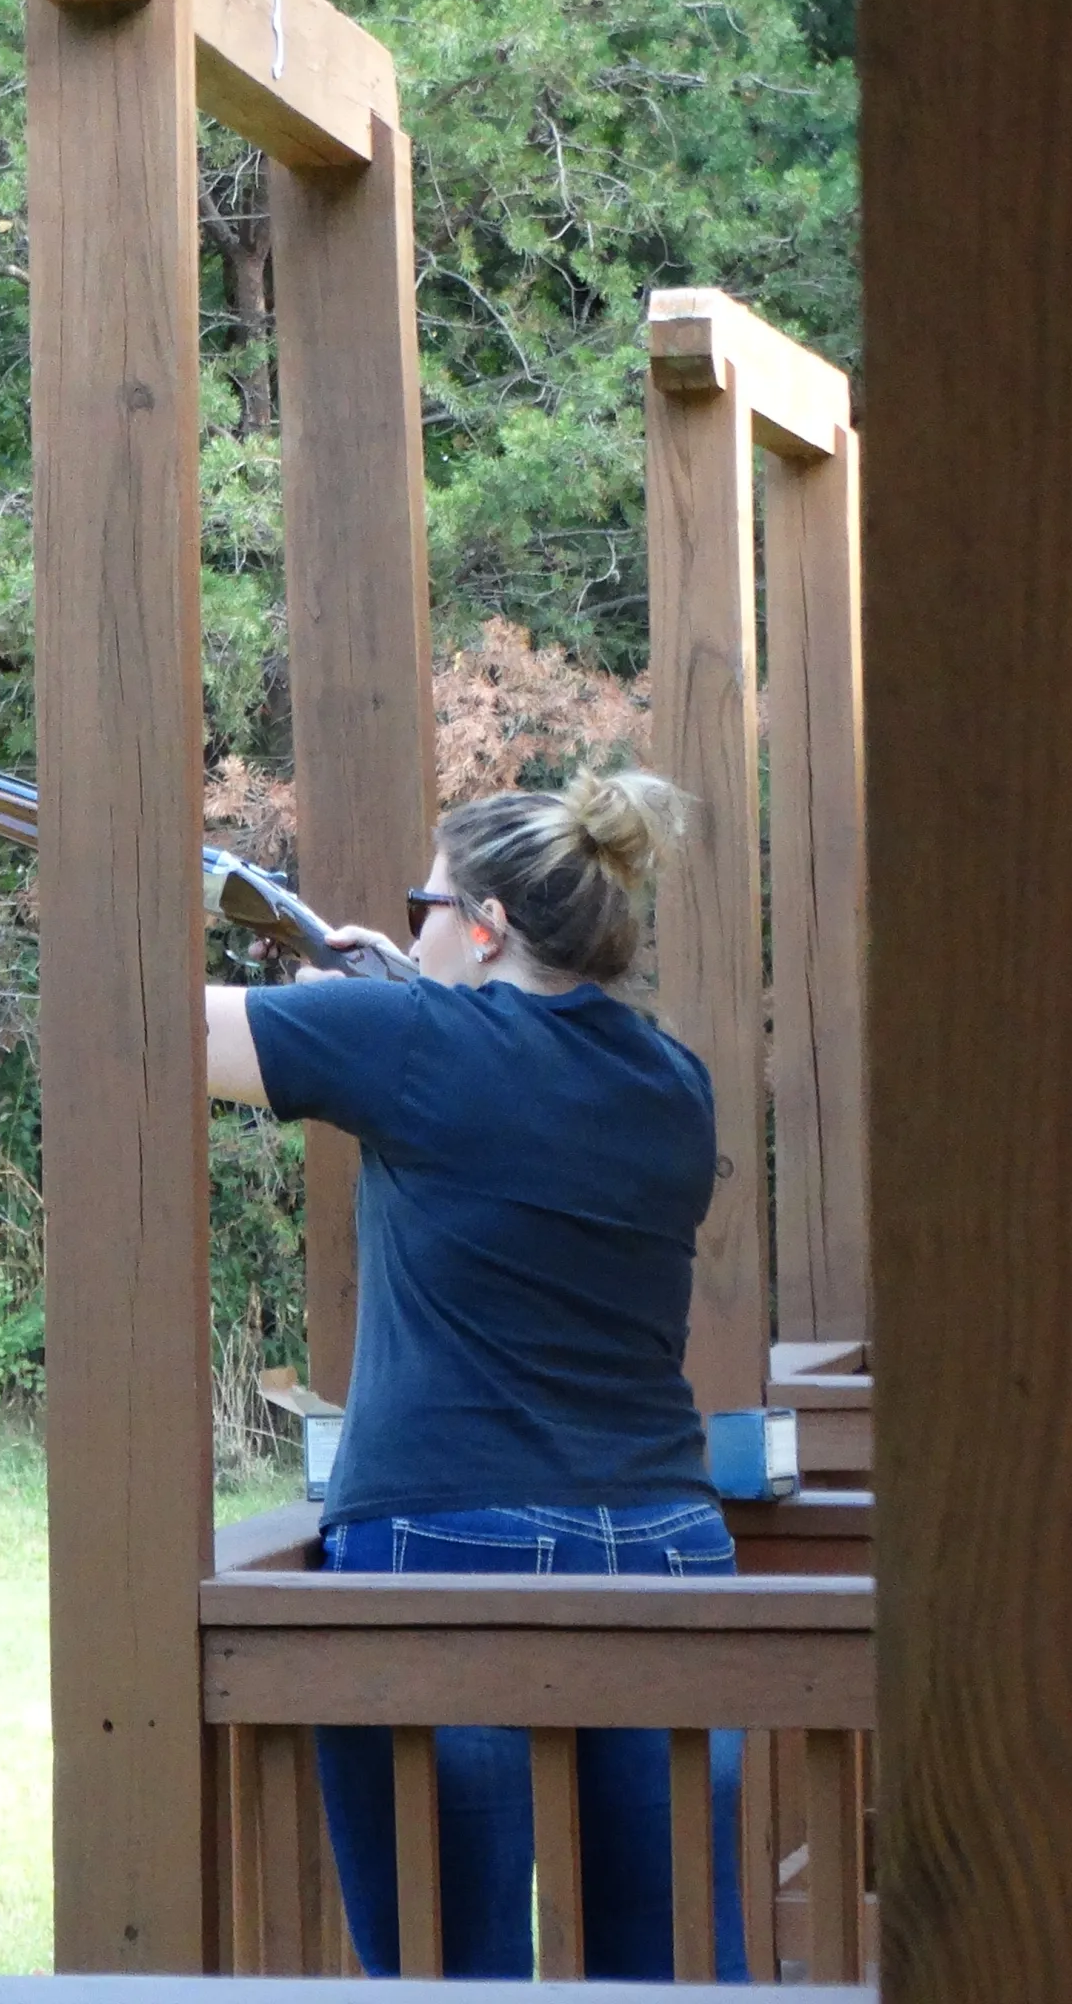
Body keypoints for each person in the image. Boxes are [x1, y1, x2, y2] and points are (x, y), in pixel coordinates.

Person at [200, 768, 747, 1981]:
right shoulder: (675, 1083)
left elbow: (165, 1025)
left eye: (425, 906)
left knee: (455, 1975)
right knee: (665, 1977)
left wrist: (355, 1007)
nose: (408, 932)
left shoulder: (412, 1040)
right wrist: (385, 991)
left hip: (453, 1545)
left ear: (487, 924)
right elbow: (514, 1076)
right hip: (669, 1550)